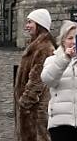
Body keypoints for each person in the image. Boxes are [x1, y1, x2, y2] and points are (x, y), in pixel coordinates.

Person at [14, 9, 54, 141]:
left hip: (35, 110)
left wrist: (25, 102)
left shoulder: (44, 48)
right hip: (30, 110)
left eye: (30, 22)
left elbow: (38, 80)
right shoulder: (36, 45)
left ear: (40, 24)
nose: (27, 25)